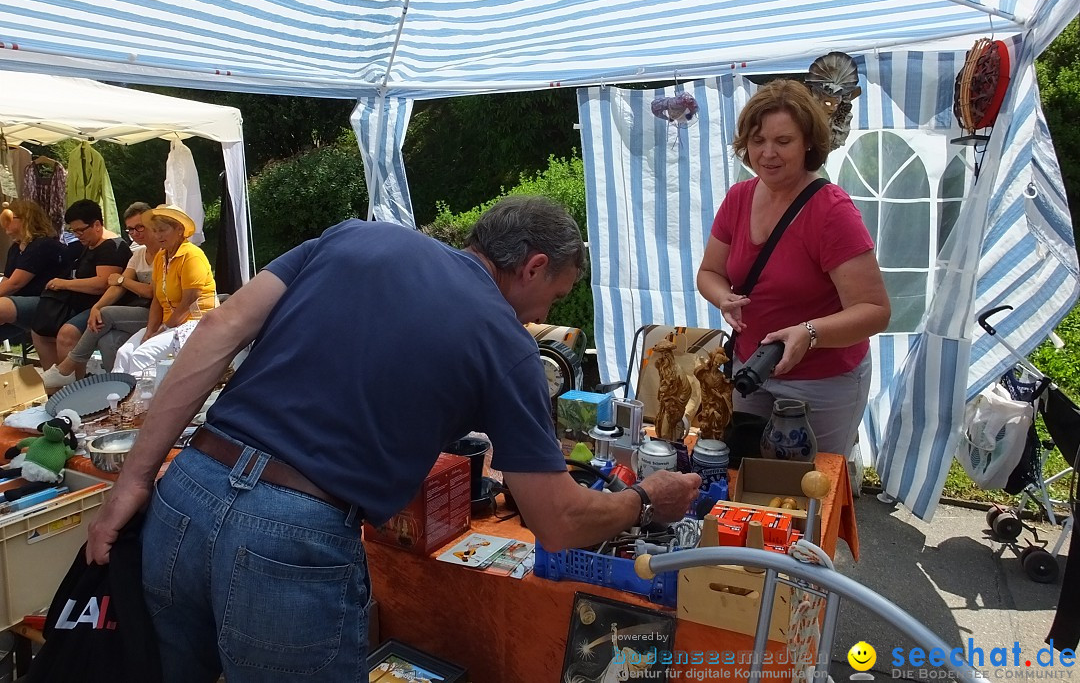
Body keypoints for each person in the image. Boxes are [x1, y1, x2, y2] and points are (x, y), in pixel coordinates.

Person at [87, 195, 700, 683]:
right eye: (553, 296)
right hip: (291, 535)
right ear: (534, 266)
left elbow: (219, 329)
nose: (540, 314)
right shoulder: (507, 342)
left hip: (186, 494)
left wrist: (136, 479)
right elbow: (559, 522)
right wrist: (646, 500)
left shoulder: (356, 234)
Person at [696, 79, 890, 456]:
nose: (767, 153)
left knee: (807, 491)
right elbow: (709, 273)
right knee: (742, 474)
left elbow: (876, 312)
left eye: (782, 141)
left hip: (822, 381)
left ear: (808, 144)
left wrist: (809, 333)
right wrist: (724, 298)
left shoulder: (831, 210)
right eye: (757, 141)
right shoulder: (739, 198)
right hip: (751, 369)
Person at [41, 202, 158, 388]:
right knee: (107, 339)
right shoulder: (139, 255)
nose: (135, 233)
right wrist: (97, 307)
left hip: (162, 313)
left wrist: (121, 281)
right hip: (140, 311)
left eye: (139, 227)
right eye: (130, 230)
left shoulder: (163, 253)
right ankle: (119, 389)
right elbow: (115, 287)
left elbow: (150, 290)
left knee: (100, 317)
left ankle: (66, 369)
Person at [112, 204, 216, 375]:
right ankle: (120, 399)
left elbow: (189, 301)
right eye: (154, 230)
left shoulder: (192, 255)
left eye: (162, 230)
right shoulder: (161, 256)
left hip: (196, 323)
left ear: (179, 230)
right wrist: (150, 330)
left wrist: (164, 328)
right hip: (169, 324)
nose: (158, 235)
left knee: (142, 355)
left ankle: (144, 401)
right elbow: (157, 300)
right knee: (124, 354)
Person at [32, 199, 130, 368]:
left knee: (67, 334)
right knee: (40, 329)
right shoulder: (90, 243)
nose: (77, 235)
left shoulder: (111, 247)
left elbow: (102, 284)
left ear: (97, 224)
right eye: (73, 231)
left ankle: (72, 386)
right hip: (78, 303)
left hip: (104, 306)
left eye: (80, 230)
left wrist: (64, 284)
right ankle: (53, 383)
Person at [0, 199, 68, 343]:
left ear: (25, 219)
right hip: (22, 302)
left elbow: (15, 283)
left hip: (49, 303)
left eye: (9, 218)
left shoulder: (42, 245)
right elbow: (7, 282)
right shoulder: (15, 248)